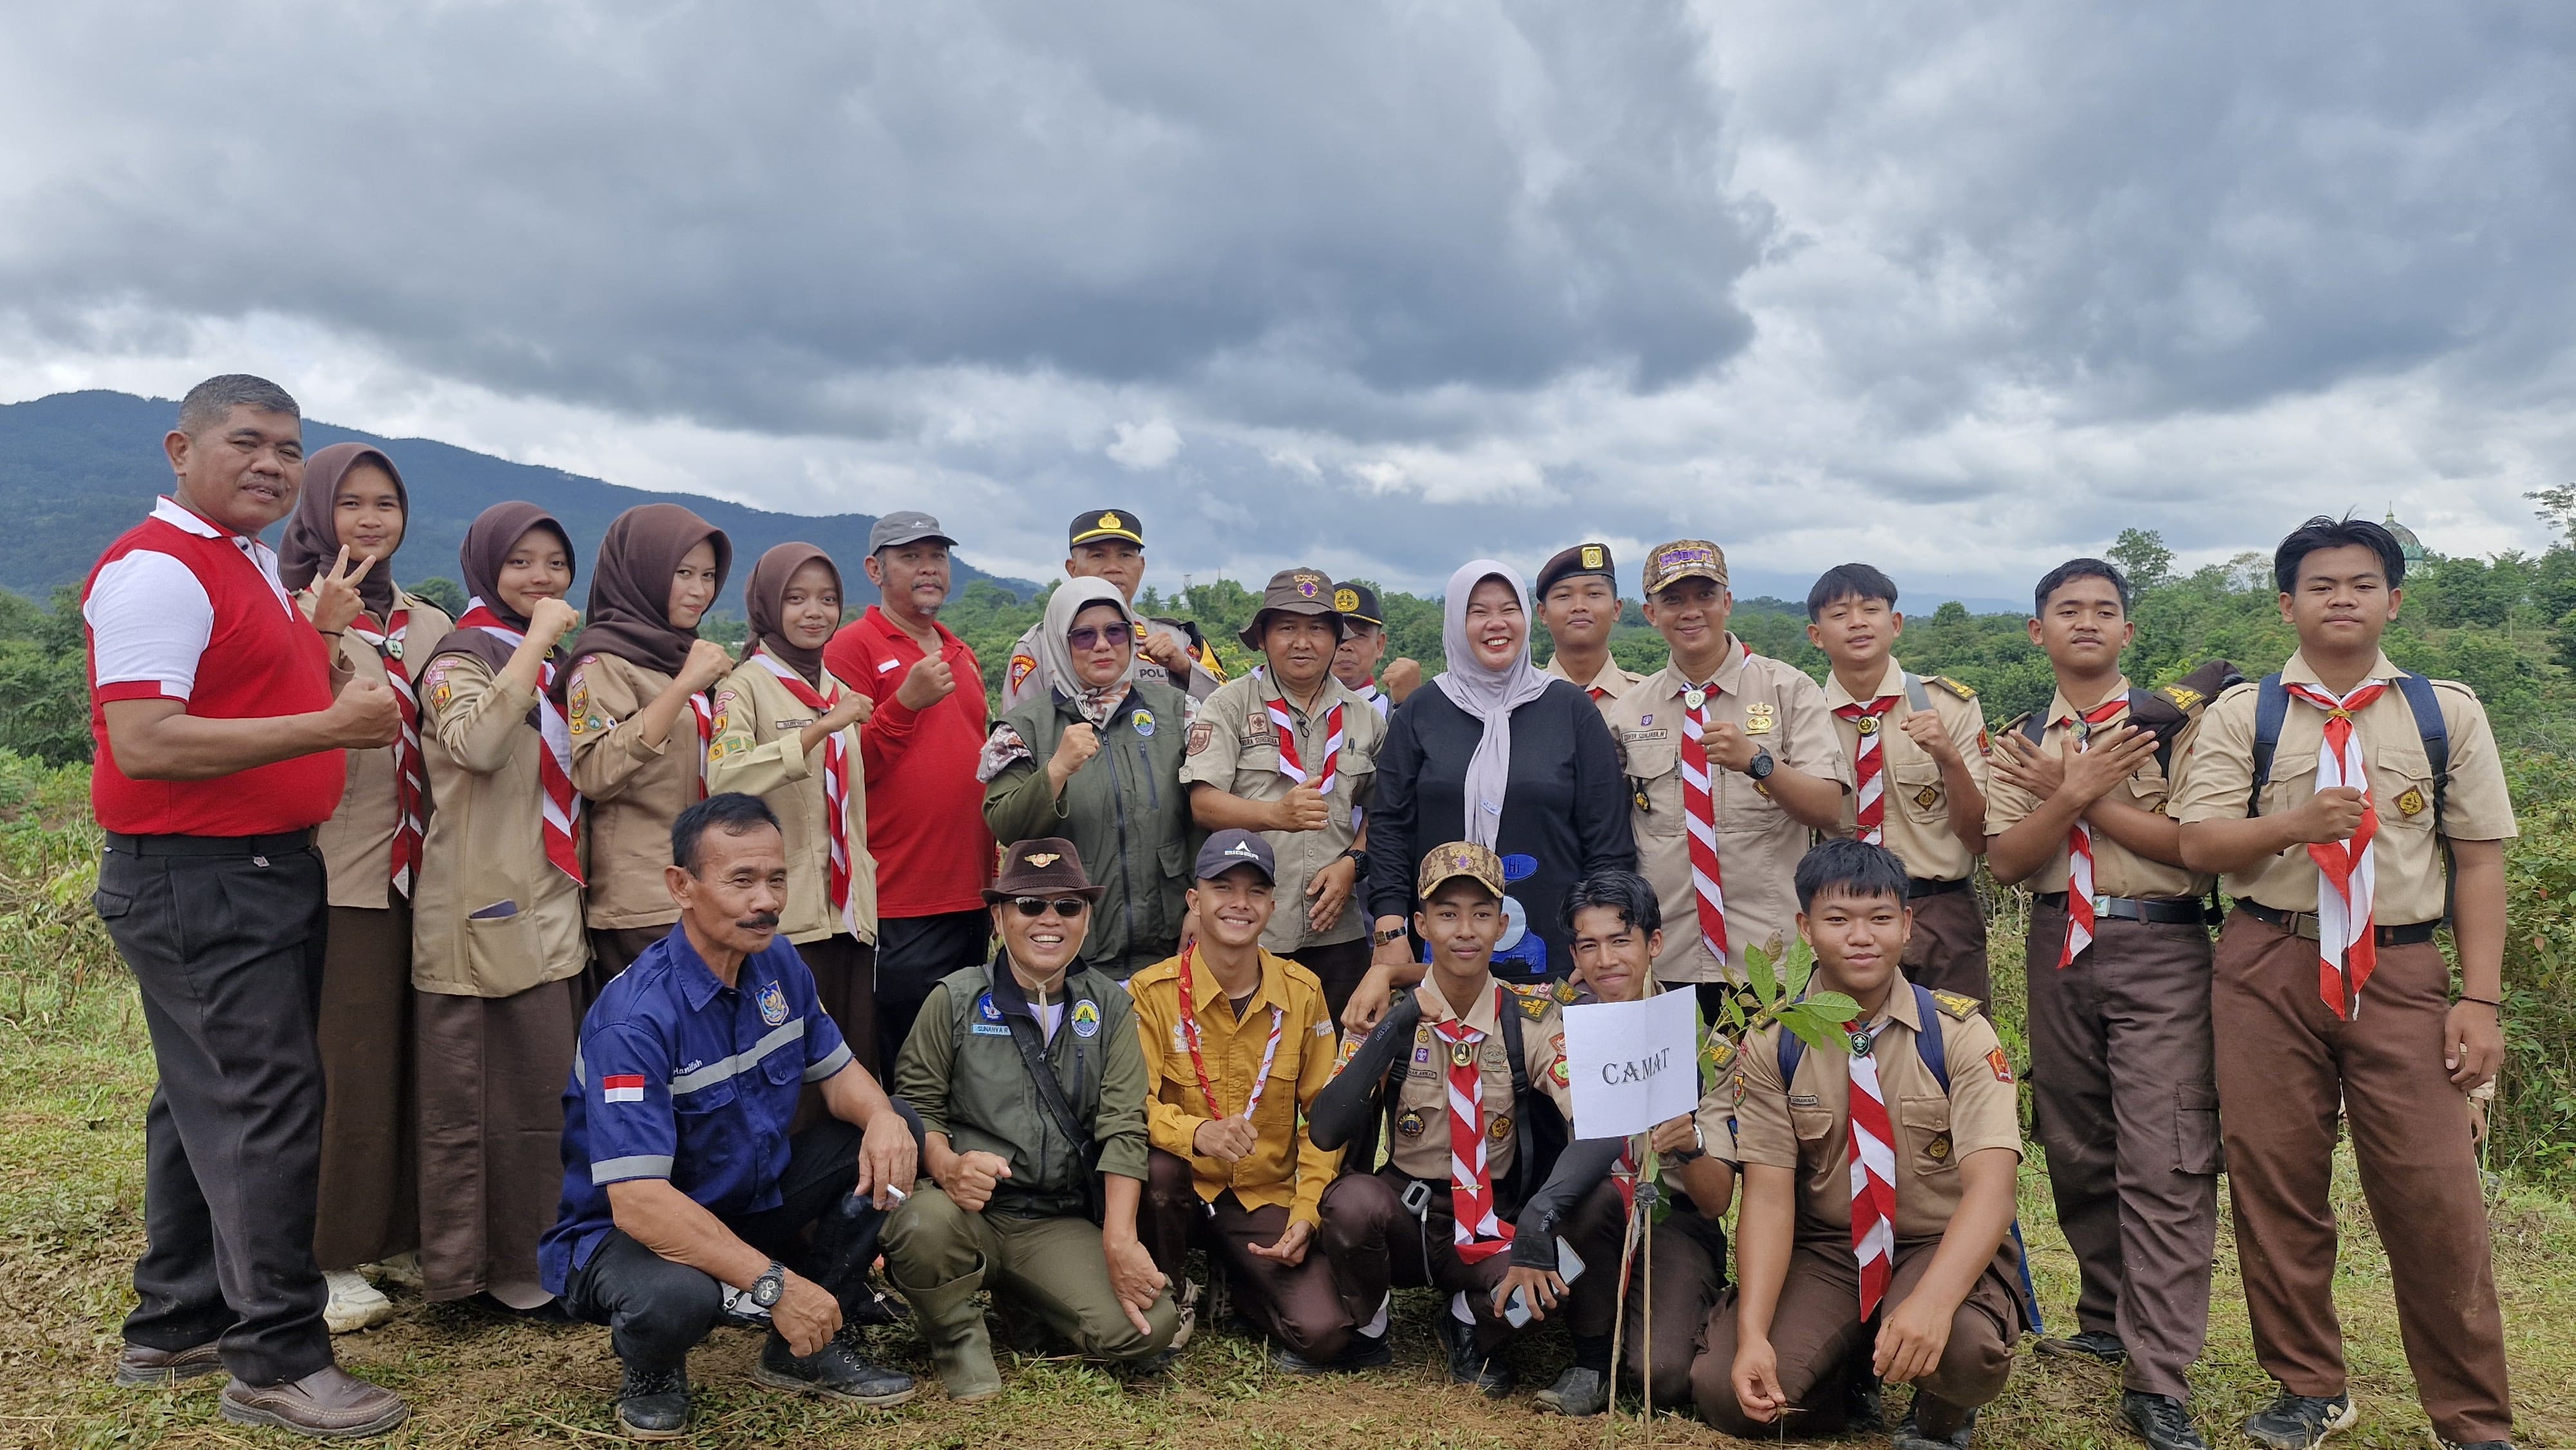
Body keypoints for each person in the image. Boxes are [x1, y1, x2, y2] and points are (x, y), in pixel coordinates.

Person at [83, 375, 408, 1436]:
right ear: (181, 449)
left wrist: (317, 638)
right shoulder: (158, 569)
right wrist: (331, 729)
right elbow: (147, 741)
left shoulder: (250, 561)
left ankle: (177, 1321)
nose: (272, 463)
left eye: (288, 448)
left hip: (259, 868)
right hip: (199, 873)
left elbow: (252, 692)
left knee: (204, 1100)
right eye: (247, 441)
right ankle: (277, 1358)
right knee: (264, 1105)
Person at [2174, 517, 2518, 1450]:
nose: (2342, 599)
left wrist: (2479, 1000)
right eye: (2321, 585)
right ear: (2286, 604)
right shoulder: (2245, 715)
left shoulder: (2445, 712)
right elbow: (2200, 843)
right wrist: (2293, 824)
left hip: (2400, 969)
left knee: (2435, 1194)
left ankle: (2472, 1418)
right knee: (2275, 1180)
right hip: (2268, 961)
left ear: (2392, 601)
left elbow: (2480, 861)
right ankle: (2308, 1387)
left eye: (2362, 584)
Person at [540, 793, 920, 1440]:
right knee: (677, 1295)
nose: (766, 900)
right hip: (630, 1233)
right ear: (681, 886)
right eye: (741, 880)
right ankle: (654, 1371)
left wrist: (883, 1116)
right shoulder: (633, 1020)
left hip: (743, 1201)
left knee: (895, 1128)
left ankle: (808, 1343)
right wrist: (777, 1285)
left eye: (776, 879)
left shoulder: (778, 963)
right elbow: (639, 1204)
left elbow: (838, 1075)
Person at [1983, 558, 2217, 1450]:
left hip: (2160, 940)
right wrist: (2072, 789)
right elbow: (2008, 861)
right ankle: (2107, 1316)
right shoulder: (2019, 740)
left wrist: (2077, 794)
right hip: (2058, 940)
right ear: (2036, 630)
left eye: (2104, 609)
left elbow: (2195, 847)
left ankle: (2160, 1376)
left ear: (2128, 631)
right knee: (2077, 1139)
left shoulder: (2176, 727)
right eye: (2066, 609)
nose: (2086, 621)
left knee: (2166, 1152)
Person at [1696, 839, 2027, 1449]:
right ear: (1806, 929)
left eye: (1879, 918)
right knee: (1730, 1394)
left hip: (1932, 1240)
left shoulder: (1958, 1034)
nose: (1860, 937)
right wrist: (1753, 1334)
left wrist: (1933, 1303)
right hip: (1829, 1249)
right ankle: (1843, 1376)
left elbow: (1993, 1193)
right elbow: (1767, 1199)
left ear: (1907, 924)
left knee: (1964, 1349)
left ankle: (1941, 1413)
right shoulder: (1774, 1044)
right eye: (1838, 920)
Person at [1309, 842, 1629, 1399]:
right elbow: (1326, 1128)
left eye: (1482, 914)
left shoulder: (1530, 1018)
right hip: (1405, 1216)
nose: (1465, 931)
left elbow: (1600, 1124)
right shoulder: (1386, 1011)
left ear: (1502, 925)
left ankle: (1467, 1320)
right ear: (1421, 924)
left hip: (1493, 1219)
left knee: (1553, 1280)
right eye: (1447, 914)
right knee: (1350, 1205)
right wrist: (1399, 1021)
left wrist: (1537, 1220)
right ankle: (1370, 1322)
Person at [883, 838, 1184, 1402]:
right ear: (998, 918)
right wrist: (947, 1167)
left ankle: (1027, 1300)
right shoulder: (955, 999)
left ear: (1087, 920)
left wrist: (1120, 1241)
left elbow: (1124, 1126)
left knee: (1149, 1326)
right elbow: (915, 1105)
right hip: (966, 1211)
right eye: (1029, 905)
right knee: (921, 1224)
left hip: (1052, 1220)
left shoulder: (1110, 1007)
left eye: (1068, 906)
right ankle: (957, 1339)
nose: (1050, 919)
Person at [276, 441, 454, 1332]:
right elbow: (271, 722)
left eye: (386, 503)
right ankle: (328, 1253)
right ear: (316, 512)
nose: (371, 520)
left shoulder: (427, 624)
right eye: (350, 503)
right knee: (345, 1064)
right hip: (339, 870)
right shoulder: (287, 608)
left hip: (427, 872)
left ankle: (400, 1227)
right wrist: (320, 631)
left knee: (412, 1055)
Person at [411, 503, 592, 1311]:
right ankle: (477, 1272)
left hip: (552, 898)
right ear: (486, 567)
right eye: (520, 562)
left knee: (544, 1092)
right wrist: (535, 641)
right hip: (479, 907)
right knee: (478, 1100)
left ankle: (546, 1261)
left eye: (554, 562)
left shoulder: (554, 662)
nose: (540, 577)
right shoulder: (461, 655)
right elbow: (478, 746)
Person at [1350, 560, 1632, 1021]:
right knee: (1441, 1064)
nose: (1496, 623)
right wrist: (1389, 930)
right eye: (1478, 611)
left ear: (1526, 618)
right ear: (1455, 623)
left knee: (1551, 1065)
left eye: (1508, 609)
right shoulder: (1421, 711)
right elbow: (1391, 829)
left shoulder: (1570, 710)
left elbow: (1608, 839)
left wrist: (1597, 943)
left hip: (1556, 955)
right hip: (1436, 953)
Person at [1599, 541, 1851, 1024]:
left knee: (1773, 1075)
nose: (1691, 611)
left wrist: (1758, 762)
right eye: (1674, 600)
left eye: (1705, 596)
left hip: (1770, 960)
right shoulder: (1629, 710)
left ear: (1728, 602)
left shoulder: (1788, 689)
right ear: (1651, 614)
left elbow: (1827, 809)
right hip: (1666, 958)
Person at [1130, 831, 1353, 1373]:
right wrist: (1195, 1133)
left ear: (1272, 906)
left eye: (1256, 891)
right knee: (1158, 1171)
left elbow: (1324, 1119)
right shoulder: (1152, 993)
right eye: (1223, 887)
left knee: (1323, 1333)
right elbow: (1131, 1106)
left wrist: (1307, 1211)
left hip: (1260, 1194)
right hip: (1178, 1192)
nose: (1240, 903)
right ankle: (1170, 1290)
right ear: (1195, 900)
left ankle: (1237, 1280)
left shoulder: (1302, 992)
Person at [1558, 869, 1738, 1416]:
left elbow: (1716, 1201)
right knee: (1591, 1200)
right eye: (1589, 946)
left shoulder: (1706, 1048)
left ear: (1654, 943)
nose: (1606, 960)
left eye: (1621, 941)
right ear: (1574, 953)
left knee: (1661, 1375)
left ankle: (1712, 1309)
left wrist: (1690, 1144)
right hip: (1587, 1212)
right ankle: (1591, 1357)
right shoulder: (1555, 1029)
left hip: (1671, 1216)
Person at [824, 512, 995, 1074]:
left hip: (970, 894)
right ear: (875, 570)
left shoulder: (961, 652)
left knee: (962, 1057)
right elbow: (841, 769)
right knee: (903, 1061)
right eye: (911, 557)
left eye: (937, 556)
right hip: (897, 897)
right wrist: (904, 704)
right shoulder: (850, 648)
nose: (929, 568)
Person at [708, 544, 882, 1082]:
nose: (815, 612)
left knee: (851, 1058)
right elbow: (724, 778)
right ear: (767, 604)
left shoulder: (837, 690)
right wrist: (819, 730)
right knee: (789, 1066)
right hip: (785, 916)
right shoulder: (743, 688)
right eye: (796, 599)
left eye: (828, 599)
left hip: (848, 914)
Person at [1183, 568, 1387, 1021]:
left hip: (1336, 929)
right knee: (1245, 1054)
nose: (1302, 642)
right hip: (1250, 927)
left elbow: (1385, 811)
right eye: (1287, 628)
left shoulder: (1364, 717)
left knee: (1337, 1053)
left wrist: (1353, 863)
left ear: (1336, 638)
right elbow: (1203, 804)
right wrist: (1275, 815)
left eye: (1317, 629)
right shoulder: (1229, 705)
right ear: (1262, 636)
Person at [564, 504, 736, 1004]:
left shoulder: (680, 655)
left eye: (708, 576)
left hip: (700, 892)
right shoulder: (602, 661)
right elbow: (594, 772)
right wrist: (683, 688)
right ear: (641, 573)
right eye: (683, 574)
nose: (699, 590)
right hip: (640, 903)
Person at [980, 578, 1193, 981]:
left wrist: (1200, 905)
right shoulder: (1024, 727)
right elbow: (1004, 824)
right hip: (1070, 951)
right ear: (1060, 644)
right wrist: (1056, 771)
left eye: (1116, 631)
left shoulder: (1178, 711)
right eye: (1084, 636)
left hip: (1168, 947)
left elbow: (1203, 818)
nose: (1103, 645)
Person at [1805, 563, 1994, 1001]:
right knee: (1847, 1035)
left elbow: (1978, 835)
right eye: (1839, 614)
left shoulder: (1947, 705)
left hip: (1937, 908)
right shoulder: (1804, 714)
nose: (1857, 623)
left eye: (1870, 610)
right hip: (1841, 910)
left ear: (1895, 624)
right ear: (1816, 635)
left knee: (1954, 1036)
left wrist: (1948, 758)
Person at [1001, 509, 1226, 710]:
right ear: (1073, 568)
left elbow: (1228, 713)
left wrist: (1185, 669)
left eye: (1125, 555)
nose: (1113, 568)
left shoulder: (1177, 640)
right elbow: (1019, 730)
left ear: (1142, 566)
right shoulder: (1039, 646)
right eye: (1098, 556)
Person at [1535, 542, 1645, 705]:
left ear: (1616, 609)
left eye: (1594, 594)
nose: (1579, 606)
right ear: (1543, 613)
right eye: (1564, 596)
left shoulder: (1648, 698)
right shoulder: (1523, 700)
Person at [1330, 579, 1423, 713]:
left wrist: (1413, 705)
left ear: (1380, 645)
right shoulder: (1299, 712)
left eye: (1359, 635)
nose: (1346, 646)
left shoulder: (1393, 714)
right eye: (1337, 634)